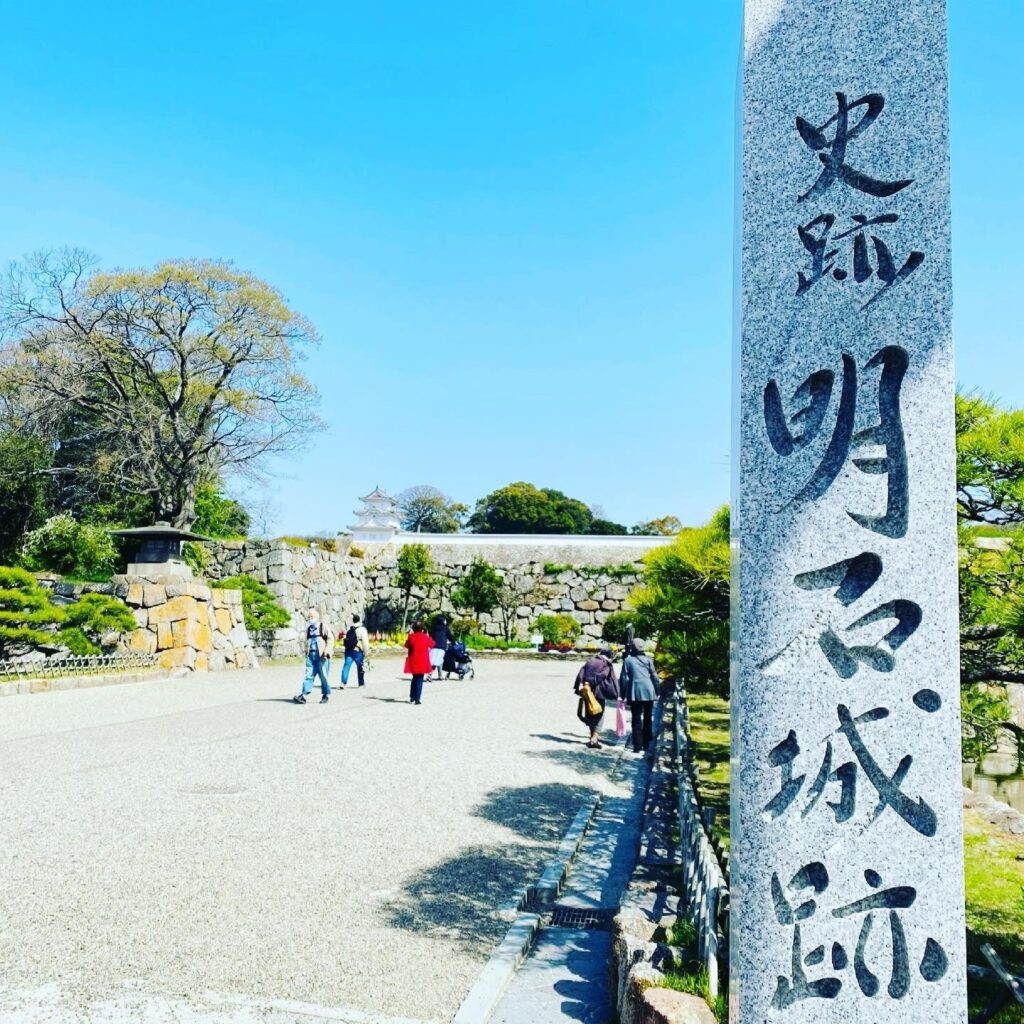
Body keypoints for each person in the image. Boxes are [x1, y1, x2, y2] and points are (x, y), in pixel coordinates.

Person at [619, 637, 660, 753]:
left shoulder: (628, 661)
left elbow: (623, 678)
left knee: (636, 719)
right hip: (648, 691)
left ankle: (637, 745)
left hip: (635, 692)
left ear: (633, 647)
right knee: (648, 717)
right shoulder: (648, 660)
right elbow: (654, 676)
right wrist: (657, 691)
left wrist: (622, 694)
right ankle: (646, 743)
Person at [573, 646, 619, 748]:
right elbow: (602, 676)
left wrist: (585, 685)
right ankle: (594, 739)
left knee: (590, 712)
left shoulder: (591, 661)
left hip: (587, 691)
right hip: (599, 692)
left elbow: (581, 674)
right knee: (598, 713)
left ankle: (592, 736)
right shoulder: (606, 663)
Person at [294, 609, 332, 704]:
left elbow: (330, 639)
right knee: (309, 675)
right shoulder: (308, 629)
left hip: (322, 656)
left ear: (317, 618)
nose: (310, 619)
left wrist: (327, 650)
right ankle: (303, 695)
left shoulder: (323, 626)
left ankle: (325, 695)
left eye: (312, 617)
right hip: (311, 656)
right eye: (309, 617)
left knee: (323, 676)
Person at [404, 621, 434, 705]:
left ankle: (412, 697)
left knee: (414, 678)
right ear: (422, 629)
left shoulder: (412, 637)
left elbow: (406, 645)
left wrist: (409, 635)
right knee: (420, 679)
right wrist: (427, 635)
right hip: (423, 661)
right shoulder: (425, 637)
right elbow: (432, 644)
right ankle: (417, 699)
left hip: (414, 660)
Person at [339, 613, 370, 687]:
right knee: (360, 667)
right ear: (359, 620)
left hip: (349, 650)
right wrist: (366, 652)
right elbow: (365, 642)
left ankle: (343, 683)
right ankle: (361, 683)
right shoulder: (362, 629)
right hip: (357, 651)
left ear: (353, 620)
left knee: (346, 666)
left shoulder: (349, 629)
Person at [430, 615, 452, 680]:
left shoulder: (434, 628)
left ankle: (440, 675)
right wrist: (453, 642)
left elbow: (432, 636)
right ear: (443, 621)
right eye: (445, 620)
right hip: (442, 646)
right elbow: (450, 636)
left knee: (436, 660)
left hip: (434, 646)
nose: (446, 621)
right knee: (438, 660)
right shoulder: (445, 628)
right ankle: (430, 675)